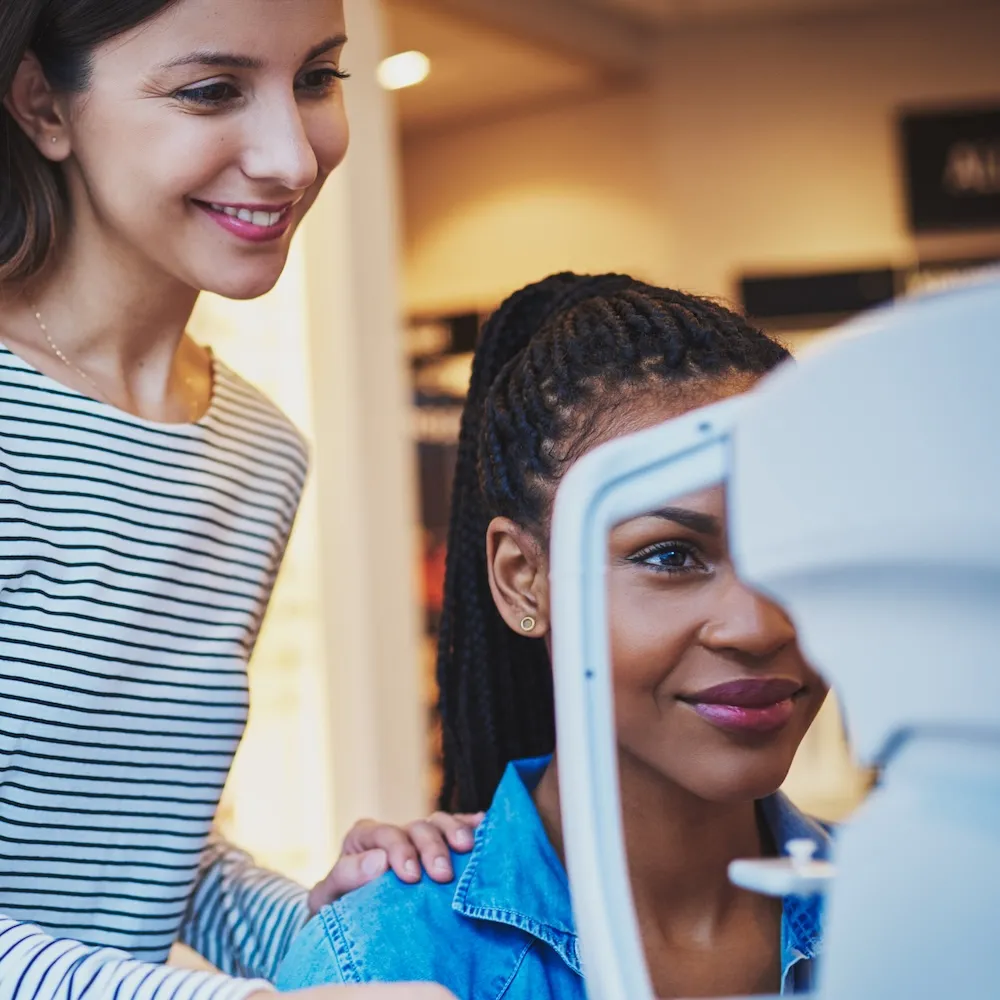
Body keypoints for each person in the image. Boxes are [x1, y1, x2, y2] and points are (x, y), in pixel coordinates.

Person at [0, 2, 473, 998]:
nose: (292, 159)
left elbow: (146, 856)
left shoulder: (258, 452)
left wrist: (322, 920)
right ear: (43, 103)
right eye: (212, 90)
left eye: (315, 79)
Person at [276, 274, 834, 998]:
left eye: (794, 552)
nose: (760, 625)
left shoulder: (929, 917)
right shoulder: (387, 964)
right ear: (521, 580)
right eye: (669, 555)